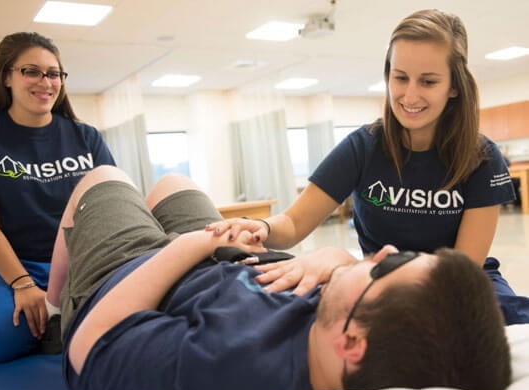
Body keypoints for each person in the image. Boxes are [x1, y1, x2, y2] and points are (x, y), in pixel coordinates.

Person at [47, 165, 510, 390]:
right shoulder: (359, 334)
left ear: (351, 343)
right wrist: (334, 260)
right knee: (173, 182)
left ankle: (50, 307)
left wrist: (196, 245)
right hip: (225, 258)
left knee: (101, 177)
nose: (385, 249)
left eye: (389, 265)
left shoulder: (217, 371)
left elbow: (90, 344)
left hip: (135, 274)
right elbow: (354, 276)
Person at [207, 9, 529, 325]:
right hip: (380, 278)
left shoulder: (482, 158)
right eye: (400, 77)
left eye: (428, 81)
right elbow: (293, 223)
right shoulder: (363, 147)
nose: (409, 95)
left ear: (454, 86)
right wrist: (261, 227)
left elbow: (464, 268)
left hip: (459, 281)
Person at [0, 32, 115, 363]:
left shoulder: (86, 138)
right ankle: (60, 319)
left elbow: (109, 206)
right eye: (31, 71)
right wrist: (23, 284)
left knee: (125, 320)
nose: (46, 82)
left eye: (54, 73)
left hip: (77, 260)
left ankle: (60, 318)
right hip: (14, 263)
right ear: (6, 77)